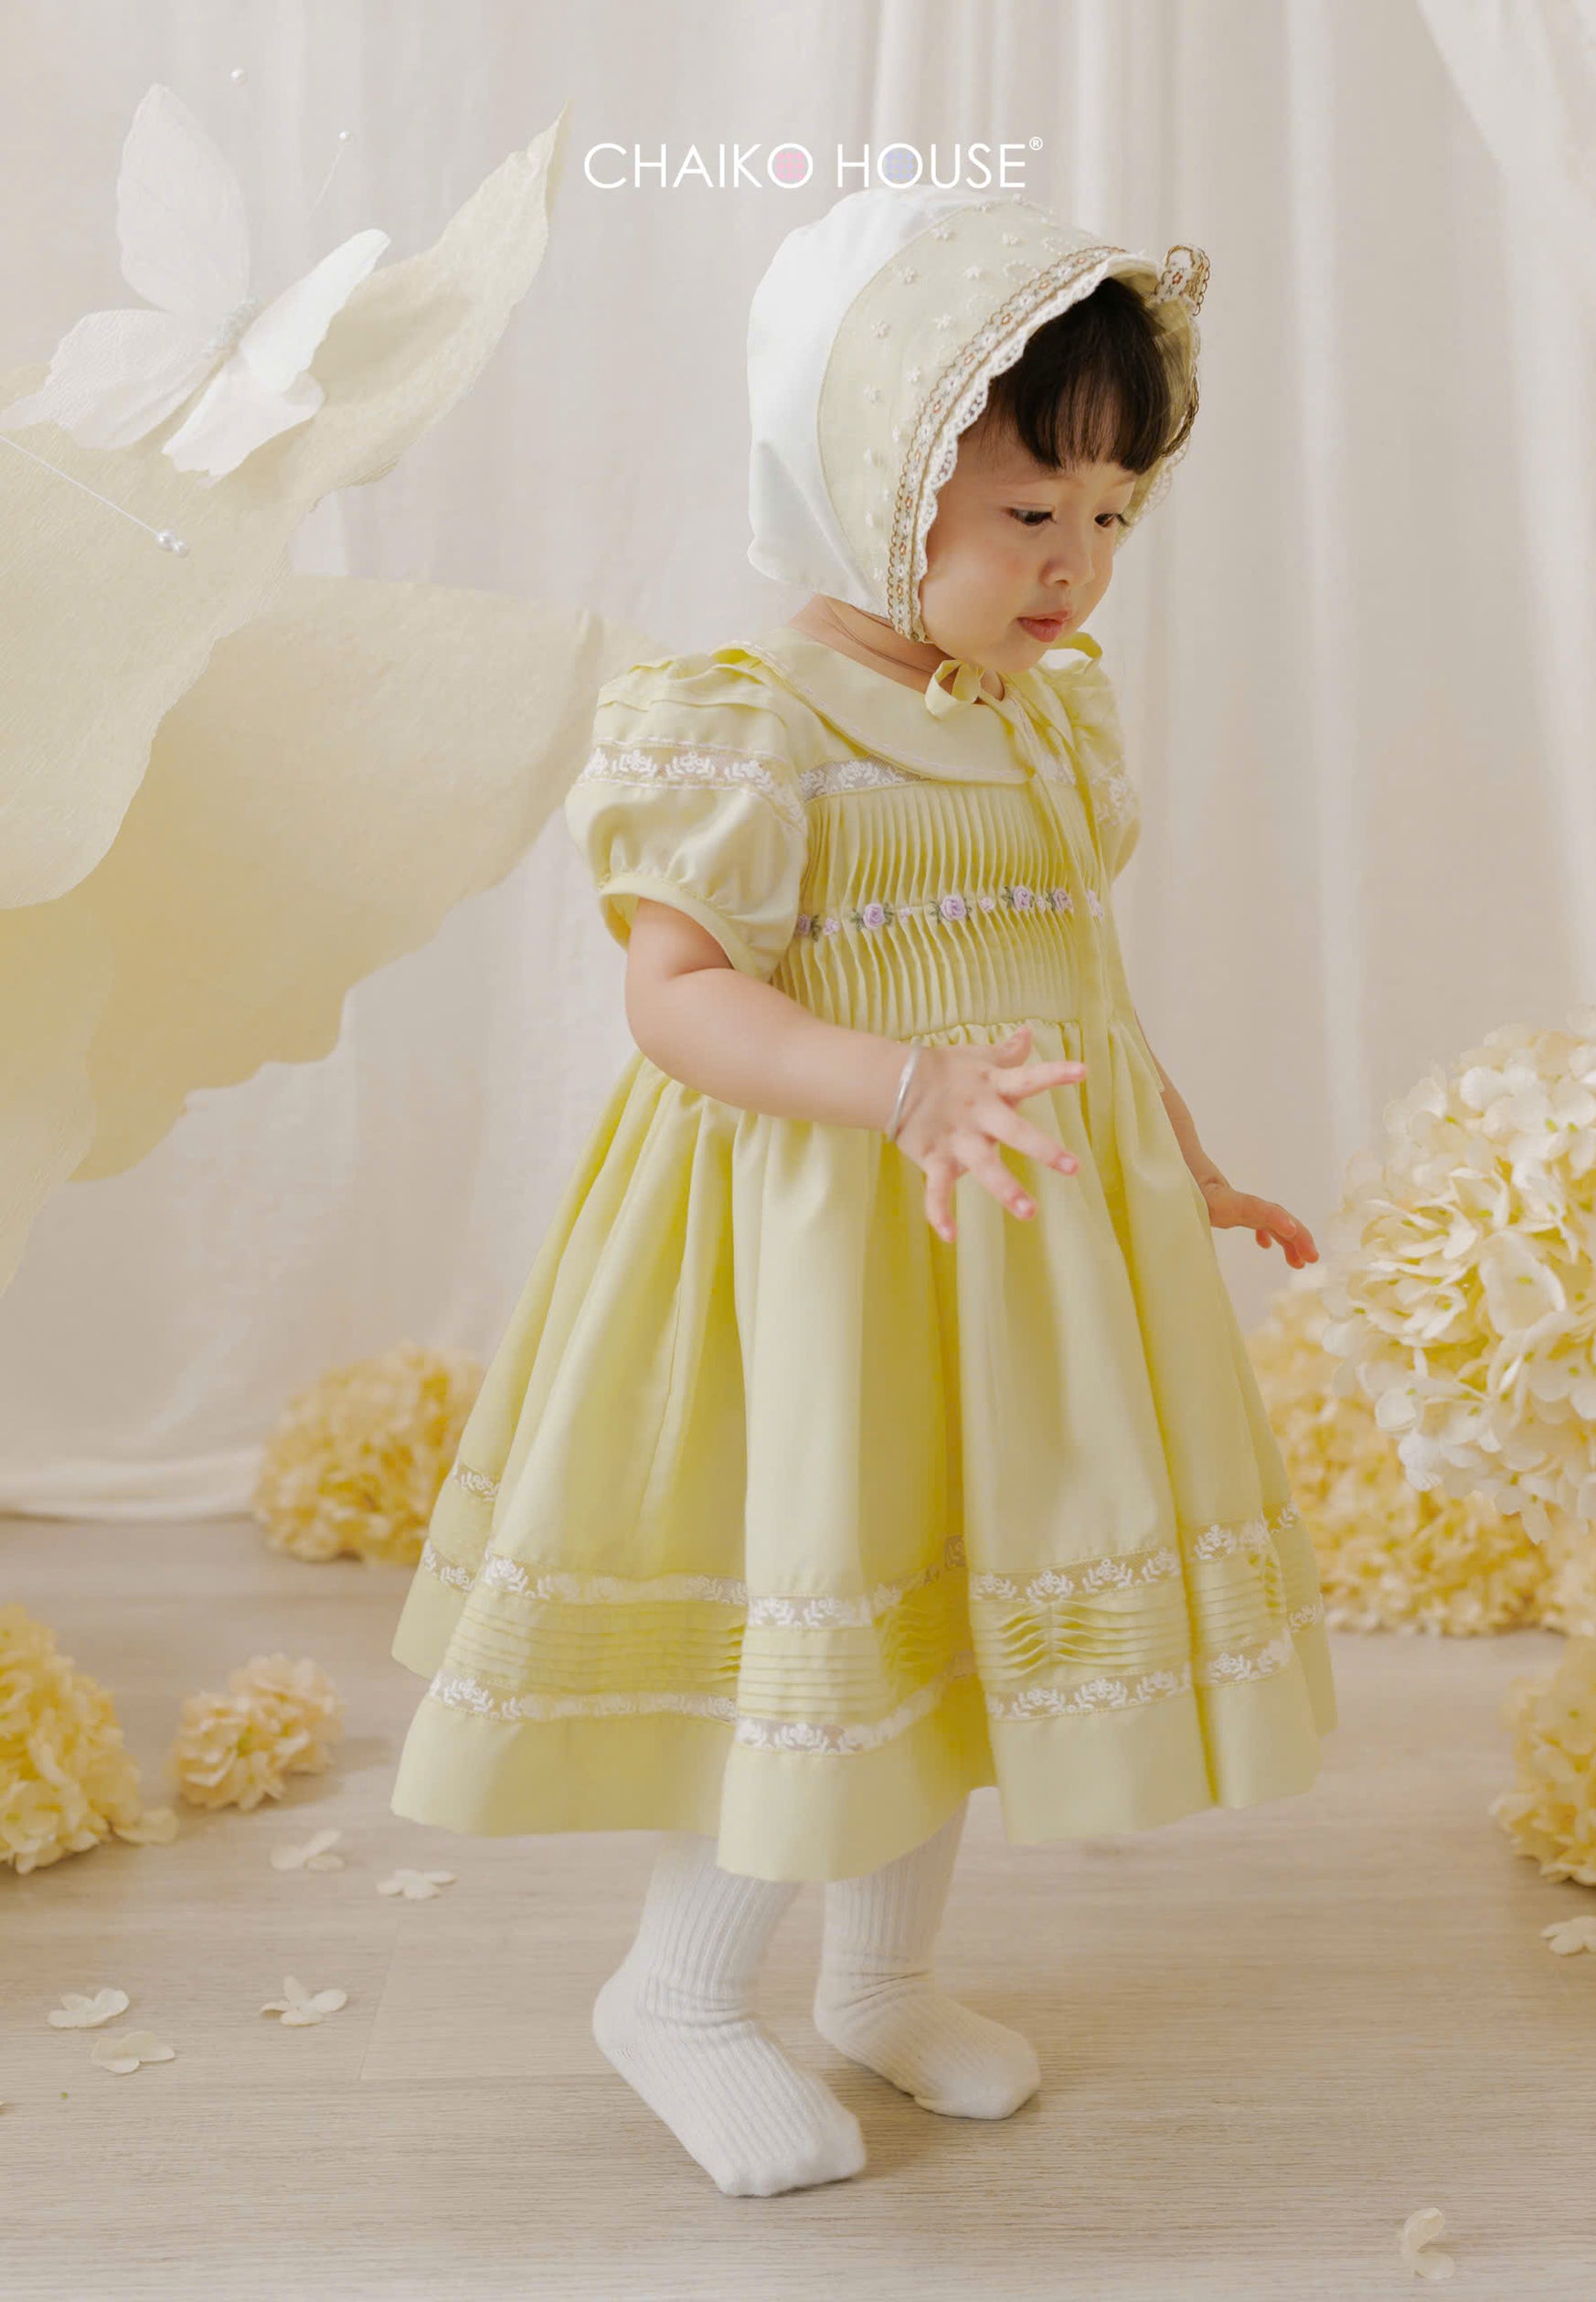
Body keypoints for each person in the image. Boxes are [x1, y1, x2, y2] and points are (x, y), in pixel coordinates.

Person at [388, 185, 1337, 2199]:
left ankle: (880, 1982)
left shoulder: (1037, 724)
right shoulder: (753, 721)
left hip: (1004, 1246)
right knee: (813, 1613)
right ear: (876, 472)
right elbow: (677, 1001)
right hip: (814, 1254)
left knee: (944, 1617)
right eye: (1025, 514)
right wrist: (898, 1081)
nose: (1073, 565)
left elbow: (1074, 975)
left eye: (1106, 518)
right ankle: (682, 1984)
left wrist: (1193, 1162)